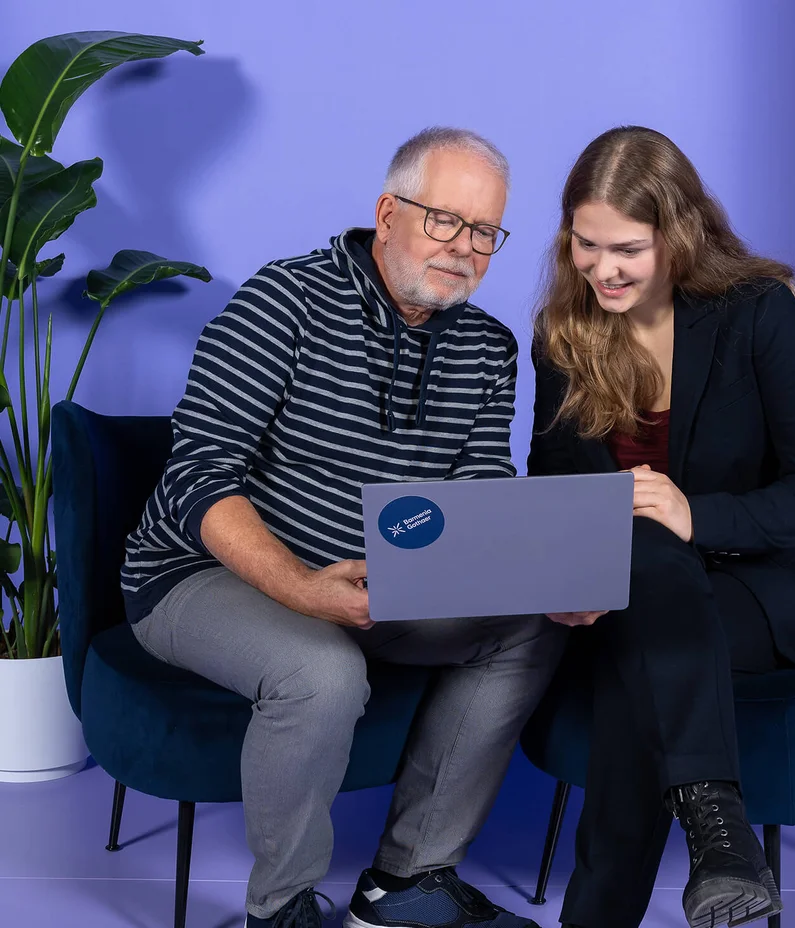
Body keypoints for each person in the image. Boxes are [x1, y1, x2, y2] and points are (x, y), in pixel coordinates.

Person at [122, 127, 564, 928]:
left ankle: (408, 882)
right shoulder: (283, 299)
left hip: (382, 584)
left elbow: (478, 489)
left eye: (484, 232)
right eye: (444, 220)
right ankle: (280, 908)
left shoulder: (490, 347)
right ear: (388, 214)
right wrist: (299, 587)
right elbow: (199, 472)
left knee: (533, 626)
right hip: (202, 574)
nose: (464, 248)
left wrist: (539, 575)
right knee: (322, 673)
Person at [528, 126, 795, 928]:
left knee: (637, 655)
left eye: (627, 249)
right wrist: (568, 578)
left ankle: (599, 914)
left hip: (769, 589)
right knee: (640, 564)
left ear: (677, 235)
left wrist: (694, 513)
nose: (602, 269)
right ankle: (721, 845)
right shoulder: (563, 335)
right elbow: (558, 490)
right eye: (585, 243)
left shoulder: (755, 312)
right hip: (630, 588)